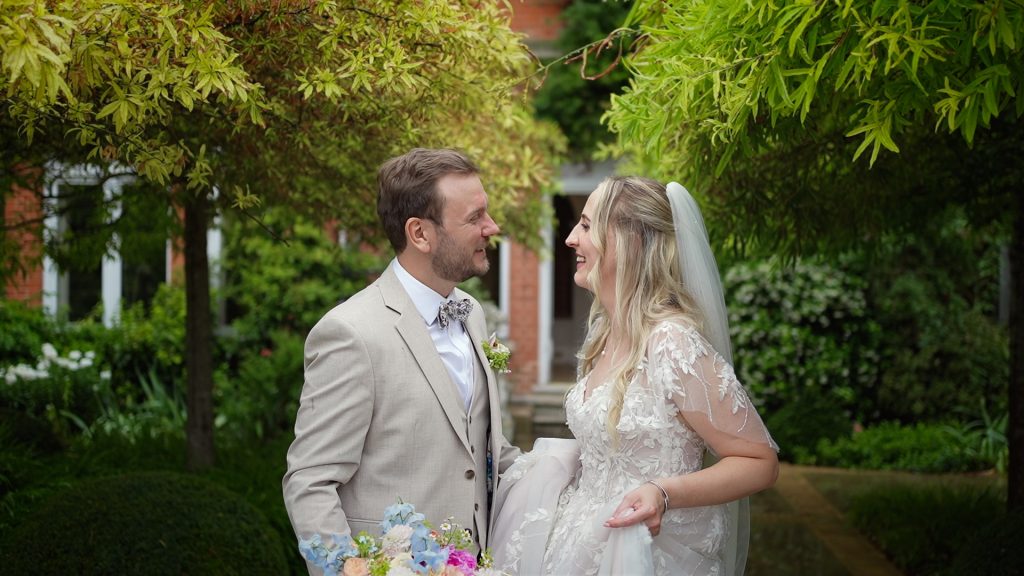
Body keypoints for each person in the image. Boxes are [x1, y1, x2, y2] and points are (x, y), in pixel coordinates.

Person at [490, 176, 779, 576]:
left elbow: (759, 461)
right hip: (579, 544)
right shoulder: (602, 334)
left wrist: (663, 493)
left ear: (630, 241)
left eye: (586, 225)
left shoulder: (674, 344)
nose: (571, 239)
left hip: (651, 554)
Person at [282, 148, 520, 572]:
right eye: (475, 217)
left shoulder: (472, 314)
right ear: (420, 233)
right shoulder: (351, 334)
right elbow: (310, 481)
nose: (492, 227)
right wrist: (351, 568)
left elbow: (483, 452)